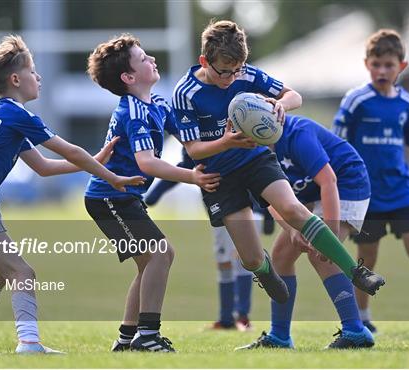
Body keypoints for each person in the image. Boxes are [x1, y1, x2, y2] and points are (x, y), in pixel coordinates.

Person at [0, 35, 146, 355]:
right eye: (33, 71)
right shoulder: (18, 115)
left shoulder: (0, 114)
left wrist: (95, 161)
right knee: (22, 273)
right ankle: (28, 343)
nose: (38, 77)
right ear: (15, 79)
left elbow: (44, 167)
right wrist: (111, 176)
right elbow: (69, 150)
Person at [172, 20, 385, 305]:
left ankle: (355, 271)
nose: (231, 78)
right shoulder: (185, 93)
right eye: (224, 72)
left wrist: (278, 105)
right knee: (249, 257)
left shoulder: (245, 73)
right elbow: (194, 150)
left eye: (236, 71)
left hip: (254, 158)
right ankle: (264, 269)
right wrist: (226, 142)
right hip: (218, 175)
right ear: (204, 61)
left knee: (293, 208)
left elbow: (293, 95)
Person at [84, 34, 221, 353]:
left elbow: (192, 140)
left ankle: (128, 338)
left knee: (154, 259)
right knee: (160, 254)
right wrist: (192, 177)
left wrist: (224, 136)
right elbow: (148, 163)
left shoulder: (156, 104)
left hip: (123, 197)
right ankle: (147, 335)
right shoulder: (133, 112)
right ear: (129, 77)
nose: (153, 60)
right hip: (109, 197)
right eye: (144, 59)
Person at [333, 28, 409, 334]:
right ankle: (362, 317)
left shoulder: (407, 104)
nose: (382, 70)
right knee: (367, 256)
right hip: (366, 194)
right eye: (376, 64)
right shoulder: (355, 100)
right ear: (367, 64)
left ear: (401, 66)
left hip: (401, 190)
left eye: (389, 65)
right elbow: (336, 142)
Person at [236, 114, 375, 350]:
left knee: (320, 254)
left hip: (346, 183)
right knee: (280, 255)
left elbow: (329, 180)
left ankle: (355, 331)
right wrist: (291, 230)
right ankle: (279, 337)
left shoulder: (297, 133)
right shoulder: (251, 151)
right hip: (308, 193)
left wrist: (328, 235)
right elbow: (271, 199)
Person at [145, 148, 276, 331]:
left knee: (242, 259)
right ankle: (226, 319)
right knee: (223, 261)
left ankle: (243, 317)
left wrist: (266, 212)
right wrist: (153, 196)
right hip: (219, 211)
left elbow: (256, 175)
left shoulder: (232, 142)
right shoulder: (197, 143)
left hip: (247, 211)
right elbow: (185, 167)